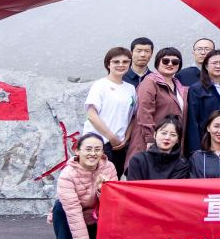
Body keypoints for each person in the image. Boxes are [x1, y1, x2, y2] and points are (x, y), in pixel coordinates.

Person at [50, 132, 115, 239]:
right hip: (73, 219)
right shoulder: (67, 174)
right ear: (77, 151)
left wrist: (102, 189)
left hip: (96, 219)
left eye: (97, 149)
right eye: (88, 149)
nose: (93, 153)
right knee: (59, 207)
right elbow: (73, 213)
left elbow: (113, 205)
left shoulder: (109, 167)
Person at [81, 46, 136, 176]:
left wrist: (125, 139)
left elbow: (133, 116)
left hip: (120, 146)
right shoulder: (100, 85)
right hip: (98, 144)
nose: (121, 65)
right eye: (116, 62)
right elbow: (91, 115)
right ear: (108, 64)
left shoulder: (131, 89)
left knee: (113, 181)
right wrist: (111, 137)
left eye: (125, 62)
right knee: (94, 182)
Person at [127, 47, 189, 159]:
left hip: (171, 143)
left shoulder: (180, 86)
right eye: (165, 61)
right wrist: (150, 139)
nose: (170, 64)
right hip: (150, 143)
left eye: (175, 62)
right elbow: (144, 112)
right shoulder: (150, 82)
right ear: (157, 62)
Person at [185, 50, 220, 156]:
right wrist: (195, 149)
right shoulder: (196, 89)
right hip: (205, 139)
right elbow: (192, 120)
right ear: (206, 66)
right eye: (214, 63)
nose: (218, 66)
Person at [124, 115, 191, 180]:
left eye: (173, 135)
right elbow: (134, 186)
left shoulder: (182, 165)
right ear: (155, 135)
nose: (167, 138)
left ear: (178, 140)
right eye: (164, 133)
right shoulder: (138, 160)